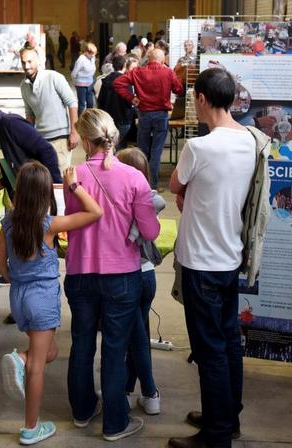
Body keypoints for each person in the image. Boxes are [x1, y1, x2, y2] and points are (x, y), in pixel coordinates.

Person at [167, 68, 256, 448]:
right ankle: (227, 416)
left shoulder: (199, 147)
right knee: (228, 342)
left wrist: (189, 193)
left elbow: (174, 185)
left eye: (194, 98)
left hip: (201, 261)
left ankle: (216, 435)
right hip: (229, 255)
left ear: (202, 99)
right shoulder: (251, 140)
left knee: (209, 351)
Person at [64, 109, 160, 442]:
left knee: (82, 343)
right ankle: (115, 422)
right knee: (115, 349)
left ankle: (82, 410)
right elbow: (150, 230)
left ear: (87, 140)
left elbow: (73, 218)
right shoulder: (135, 178)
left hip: (79, 272)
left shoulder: (72, 175)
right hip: (121, 275)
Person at [0, 162, 102, 445]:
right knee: (37, 368)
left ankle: (23, 360)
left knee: (51, 352)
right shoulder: (49, 225)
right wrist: (74, 185)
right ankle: (31, 427)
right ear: (45, 193)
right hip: (41, 297)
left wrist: (19, 279)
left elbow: (0, 266)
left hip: (18, 296)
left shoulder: (8, 221)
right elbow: (95, 212)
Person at [0, 93, 62, 290]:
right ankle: (19, 283)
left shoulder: (11, 124)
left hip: (36, 195)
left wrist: (55, 187)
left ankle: (32, 292)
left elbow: (47, 151)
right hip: (21, 196)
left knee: (35, 248)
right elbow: (14, 159)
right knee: (22, 243)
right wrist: (3, 181)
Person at [116, 148, 164, 415]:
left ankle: (150, 391)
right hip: (148, 277)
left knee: (135, 340)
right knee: (138, 334)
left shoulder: (124, 200)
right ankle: (127, 387)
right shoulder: (149, 199)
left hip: (130, 276)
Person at [113, 48, 183, 191]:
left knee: (142, 150)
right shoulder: (168, 72)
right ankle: (153, 186)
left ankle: (139, 184)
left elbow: (118, 83)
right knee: (156, 152)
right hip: (161, 115)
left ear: (148, 59)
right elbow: (179, 89)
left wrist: (131, 98)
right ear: (162, 60)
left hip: (144, 114)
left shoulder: (137, 72)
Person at [20, 47, 79, 173]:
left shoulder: (54, 77)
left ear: (38, 61)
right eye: (23, 62)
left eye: (30, 61)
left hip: (60, 139)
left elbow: (72, 103)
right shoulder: (24, 86)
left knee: (61, 180)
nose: (26, 66)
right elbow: (30, 115)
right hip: (40, 140)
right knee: (45, 180)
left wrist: (74, 132)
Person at [97, 55, 132, 149]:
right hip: (123, 119)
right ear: (125, 65)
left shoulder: (105, 81)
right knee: (121, 145)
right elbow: (129, 101)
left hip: (108, 119)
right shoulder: (126, 81)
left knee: (109, 146)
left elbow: (100, 100)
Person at [71, 42, 97, 116]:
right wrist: (75, 82)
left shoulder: (92, 58)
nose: (93, 56)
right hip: (81, 84)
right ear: (86, 52)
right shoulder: (81, 60)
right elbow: (74, 73)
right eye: (92, 54)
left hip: (90, 83)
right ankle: (80, 119)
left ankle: (89, 118)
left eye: (94, 54)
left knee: (90, 103)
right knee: (82, 104)